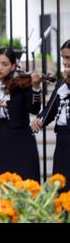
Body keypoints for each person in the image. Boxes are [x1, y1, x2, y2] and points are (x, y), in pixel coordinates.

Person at [0, 47, 42, 181]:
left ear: (12, 67)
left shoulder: (22, 85)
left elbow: (34, 109)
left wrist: (35, 87)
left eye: (4, 64)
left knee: (26, 186)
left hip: (22, 142)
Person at [31, 39, 70, 192]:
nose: (65, 62)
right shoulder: (61, 84)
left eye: (69, 58)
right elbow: (49, 111)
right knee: (61, 189)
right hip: (62, 145)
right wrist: (40, 119)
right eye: (63, 58)